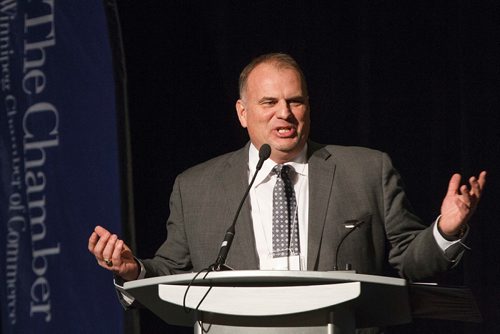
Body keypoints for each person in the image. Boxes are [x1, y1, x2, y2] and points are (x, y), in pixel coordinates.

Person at [88, 52, 486, 288]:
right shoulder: (195, 187)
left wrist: (445, 231)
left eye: (296, 101)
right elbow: (171, 271)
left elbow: (411, 261)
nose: (285, 114)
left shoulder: (366, 170)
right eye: (269, 102)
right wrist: (133, 269)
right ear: (243, 113)